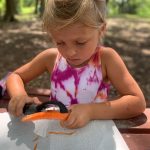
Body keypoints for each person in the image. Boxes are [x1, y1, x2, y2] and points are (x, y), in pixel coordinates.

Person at [6, 0, 146, 129]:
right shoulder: (51, 58)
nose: (70, 52)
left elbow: (137, 102)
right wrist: (19, 95)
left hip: (94, 134)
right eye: (60, 42)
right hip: (55, 131)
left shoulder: (106, 59)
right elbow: (15, 76)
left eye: (80, 42)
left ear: (101, 30)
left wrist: (91, 111)